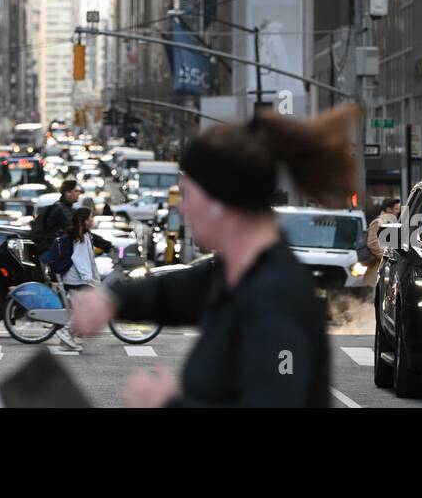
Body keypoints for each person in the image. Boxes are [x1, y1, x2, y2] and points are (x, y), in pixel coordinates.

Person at [71, 105, 360, 407]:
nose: (182, 209)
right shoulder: (235, 273)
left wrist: (167, 404)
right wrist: (110, 300)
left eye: (188, 195)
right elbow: (171, 292)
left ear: (220, 203)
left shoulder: (275, 299)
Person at [56, 207, 102, 351]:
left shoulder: (85, 235)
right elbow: (80, 259)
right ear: (85, 220)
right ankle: (65, 331)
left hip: (77, 279)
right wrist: (87, 278)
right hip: (76, 279)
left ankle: (66, 343)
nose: (92, 220)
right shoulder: (80, 237)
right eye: (90, 217)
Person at [30, 178, 81, 260]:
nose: (79, 193)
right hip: (51, 252)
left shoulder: (66, 208)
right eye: (76, 191)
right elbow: (76, 228)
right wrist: (104, 244)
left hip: (53, 250)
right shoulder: (61, 209)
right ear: (67, 193)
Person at [364, 197, 402, 286]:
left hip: (388, 267)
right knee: (374, 294)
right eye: (396, 208)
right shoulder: (378, 222)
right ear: (388, 209)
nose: (398, 211)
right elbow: (373, 244)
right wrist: (386, 258)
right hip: (377, 266)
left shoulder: (393, 222)